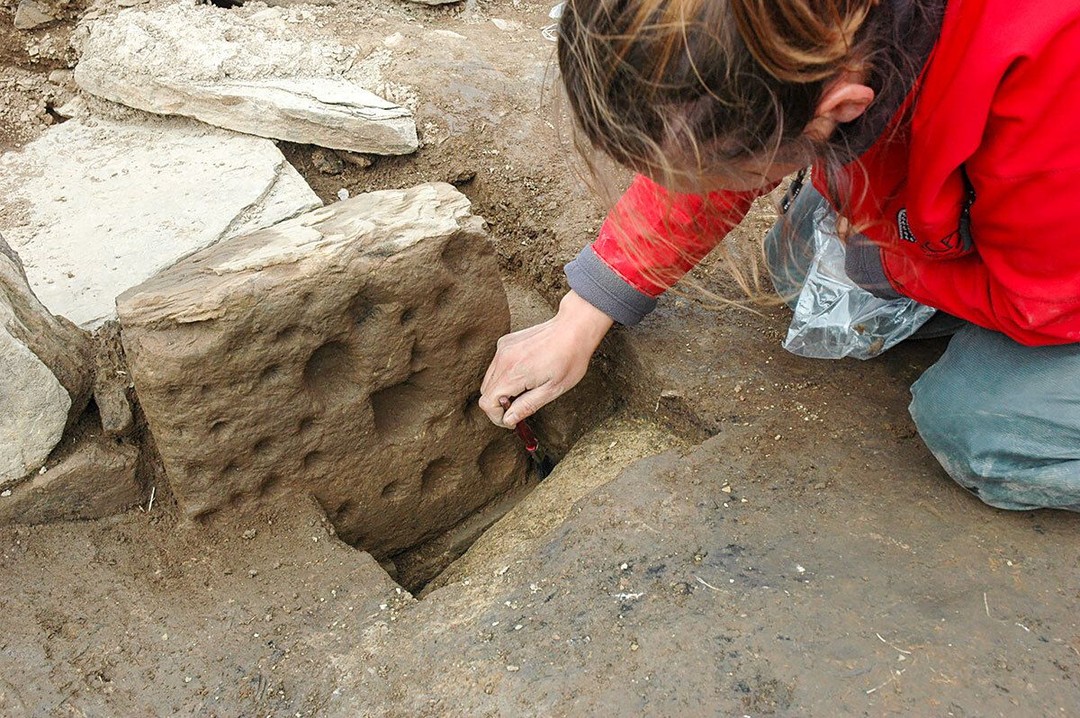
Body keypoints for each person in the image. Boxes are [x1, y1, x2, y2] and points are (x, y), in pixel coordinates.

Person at [479, 0, 1080, 511]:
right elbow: (703, 122)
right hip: (1018, 201)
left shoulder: (1049, 77)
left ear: (840, 107)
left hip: (1057, 267)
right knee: (799, 267)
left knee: (979, 427)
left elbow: (1047, 304)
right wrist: (582, 312)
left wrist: (891, 261)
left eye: (745, 165)